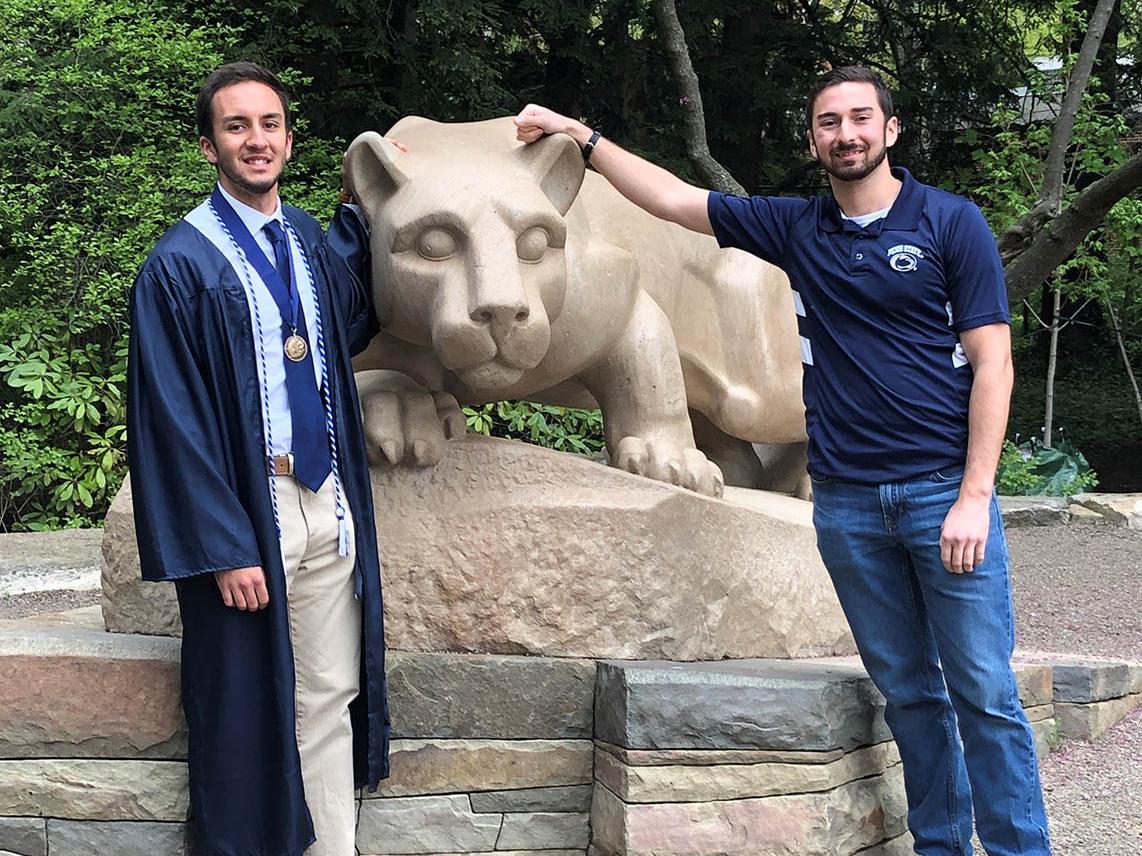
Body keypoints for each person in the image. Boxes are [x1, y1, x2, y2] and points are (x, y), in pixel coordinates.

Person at [515, 66, 1051, 855]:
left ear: (890, 130)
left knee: (984, 691)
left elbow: (993, 364)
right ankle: (942, 844)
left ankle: (1018, 849)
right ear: (814, 141)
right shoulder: (799, 228)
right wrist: (582, 139)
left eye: (861, 118)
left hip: (944, 495)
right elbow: (672, 199)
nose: (847, 133)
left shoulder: (950, 223)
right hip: (845, 504)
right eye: (830, 122)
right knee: (908, 692)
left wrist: (977, 493)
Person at [127, 61, 389, 856]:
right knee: (243, 707)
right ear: (209, 146)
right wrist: (225, 545)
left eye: (268, 124)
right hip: (253, 507)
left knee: (328, 693)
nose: (255, 140)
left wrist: (375, 211)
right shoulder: (178, 267)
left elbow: (341, 328)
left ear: (287, 137)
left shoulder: (306, 238)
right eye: (236, 127)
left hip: (327, 500)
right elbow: (171, 420)